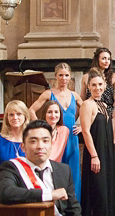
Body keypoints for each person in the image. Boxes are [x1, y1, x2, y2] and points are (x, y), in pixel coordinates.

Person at [30, 63, 83, 200]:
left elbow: (89, 111)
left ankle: (73, 204)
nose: (63, 78)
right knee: (54, 169)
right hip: (54, 137)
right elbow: (31, 110)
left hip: (72, 137)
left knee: (73, 171)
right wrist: (41, 128)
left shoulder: (75, 95)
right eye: (60, 75)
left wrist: (82, 126)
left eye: (66, 75)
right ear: (55, 76)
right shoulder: (48, 94)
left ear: (70, 77)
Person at [80, 68, 115, 216]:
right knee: (98, 196)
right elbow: (86, 131)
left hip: (106, 154)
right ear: (88, 87)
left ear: (105, 86)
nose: (97, 88)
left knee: (107, 194)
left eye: (100, 85)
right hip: (96, 155)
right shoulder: (87, 105)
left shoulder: (103, 104)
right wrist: (94, 156)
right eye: (94, 85)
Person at [83, 47, 115, 143]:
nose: (107, 61)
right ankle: (109, 148)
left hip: (109, 109)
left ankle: (112, 146)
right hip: (93, 110)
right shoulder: (86, 77)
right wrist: (78, 121)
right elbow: (81, 100)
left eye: (108, 59)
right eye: (103, 58)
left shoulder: (113, 77)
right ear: (97, 59)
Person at [0, 100, 29, 182]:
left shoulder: (31, 140)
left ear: (25, 116)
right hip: (3, 185)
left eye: (19, 114)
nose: (15, 118)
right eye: (11, 115)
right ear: (7, 118)